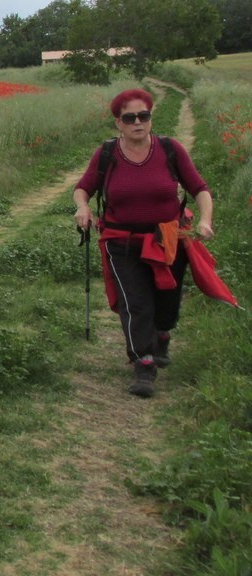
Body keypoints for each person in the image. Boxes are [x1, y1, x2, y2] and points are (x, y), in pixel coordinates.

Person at [73, 88, 214, 397]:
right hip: (121, 240)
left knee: (167, 298)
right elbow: (83, 188)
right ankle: (143, 363)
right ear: (118, 124)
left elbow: (199, 188)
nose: (137, 122)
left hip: (167, 238)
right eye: (129, 117)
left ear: (150, 118)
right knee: (135, 302)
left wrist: (204, 219)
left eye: (143, 116)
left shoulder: (170, 149)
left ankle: (162, 334)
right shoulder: (107, 154)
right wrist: (82, 207)